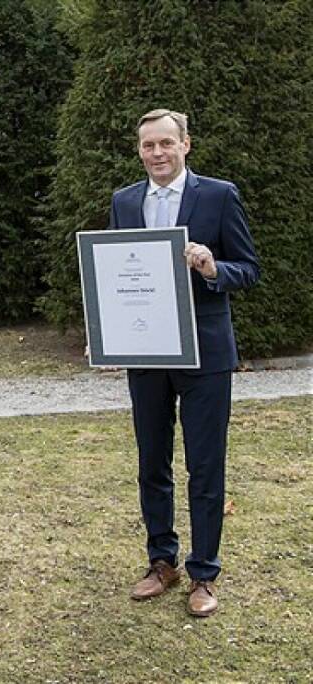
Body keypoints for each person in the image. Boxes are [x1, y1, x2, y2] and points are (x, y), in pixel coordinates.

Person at [109, 109, 259, 617]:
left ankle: (204, 573)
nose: (157, 153)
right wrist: (108, 334)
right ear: (140, 150)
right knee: (152, 461)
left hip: (207, 355)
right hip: (147, 354)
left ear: (185, 145)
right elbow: (116, 277)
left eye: (166, 143)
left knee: (205, 464)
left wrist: (213, 266)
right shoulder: (125, 201)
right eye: (149, 145)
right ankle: (161, 561)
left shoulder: (218, 195)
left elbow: (249, 268)